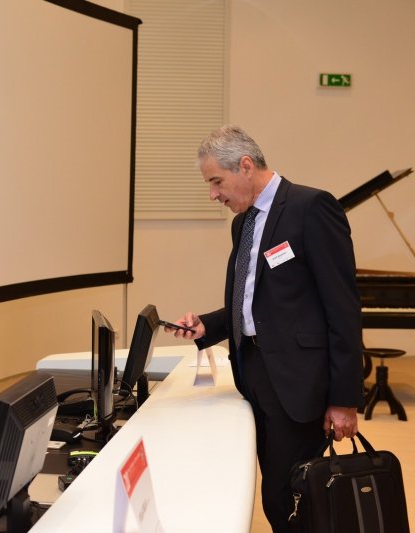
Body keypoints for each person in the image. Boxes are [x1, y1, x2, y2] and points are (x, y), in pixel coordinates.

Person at [168, 125, 364, 532]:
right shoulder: (242, 223)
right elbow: (254, 301)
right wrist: (207, 326)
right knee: (278, 491)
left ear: (245, 166)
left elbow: (343, 308)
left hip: (299, 382)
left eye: (216, 182)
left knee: (287, 495)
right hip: (255, 373)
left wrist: (345, 399)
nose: (213, 195)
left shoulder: (311, 208)